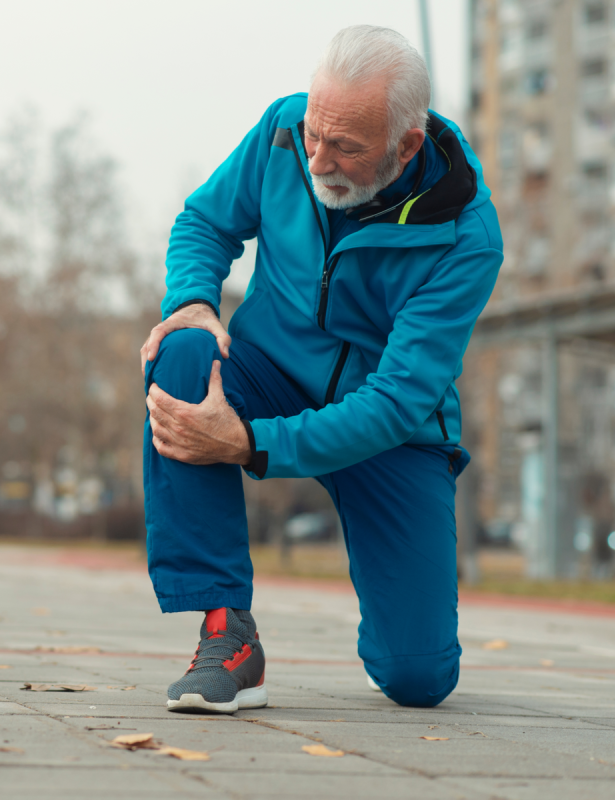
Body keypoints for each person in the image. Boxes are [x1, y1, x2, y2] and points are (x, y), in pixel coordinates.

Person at [140, 25, 503, 714]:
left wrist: (251, 445)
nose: (318, 157)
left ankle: (397, 642)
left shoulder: (467, 239)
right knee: (182, 352)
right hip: (266, 374)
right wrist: (191, 299)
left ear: (406, 146)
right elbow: (205, 223)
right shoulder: (283, 130)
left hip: (388, 430)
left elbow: (397, 402)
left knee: (419, 678)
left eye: (345, 148)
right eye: (315, 134)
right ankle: (228, 635)